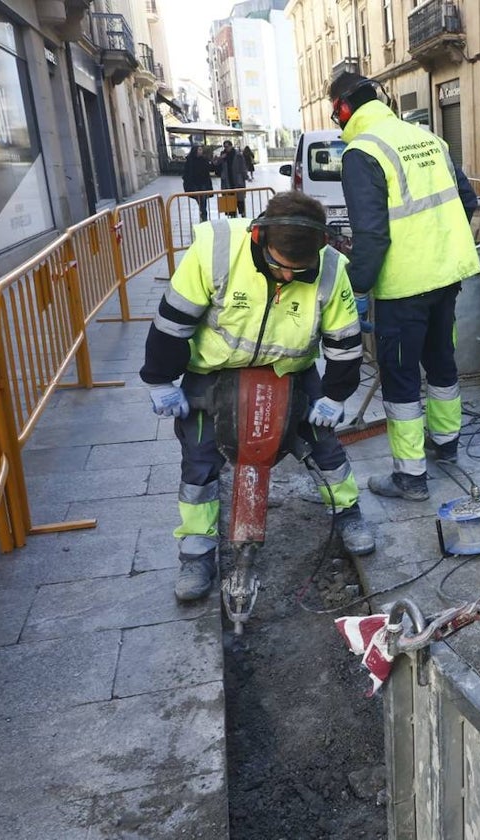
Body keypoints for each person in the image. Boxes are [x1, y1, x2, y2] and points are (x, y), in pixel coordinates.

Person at [140, 190, 376, 602]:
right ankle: (197, 552)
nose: (287, 279)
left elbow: (344, 343)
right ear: (258, 239)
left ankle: (348, 514)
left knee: (325, 446)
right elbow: (172, 323)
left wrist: (336, 396)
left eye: (298, 273)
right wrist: (160, 380)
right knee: (198, 460)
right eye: (280, 268)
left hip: (291, 371)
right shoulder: (215, 251)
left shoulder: (330, 268)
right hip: (212, 371)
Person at [327, 72, 480, 502]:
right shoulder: (429, 138)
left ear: (343, 109)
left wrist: (356, 290)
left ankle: (411, 476)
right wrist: (438, 246)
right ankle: (446, 445)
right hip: (446, 278)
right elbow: (466, 202)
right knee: (442, 362)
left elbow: (372, 235)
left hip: (403, 287)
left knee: (400, 377)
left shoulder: (362, 152)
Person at [181, 144, 213, 222]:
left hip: (203, 184)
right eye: (199, 149)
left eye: (201, 150)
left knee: (203, 201)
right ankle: (203, 215)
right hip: (194, 185)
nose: (201, 151)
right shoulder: (190, 160)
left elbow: (209, 169)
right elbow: (186, 173)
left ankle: (204, 216)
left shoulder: (204, 160)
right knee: (200, 201)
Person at [217, 140, 248, 217]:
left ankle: (242, 213)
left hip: (237, 180)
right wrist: (221, 158)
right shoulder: (223, 155)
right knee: (229, 199)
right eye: (224, 147)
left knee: (240, 199)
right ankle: (232, 215)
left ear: (231, 146)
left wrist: (245, 176)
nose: (226, 148)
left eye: (227, 146)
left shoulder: (238, 154)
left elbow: (243, 166)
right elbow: (216, 165)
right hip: (227, 181)